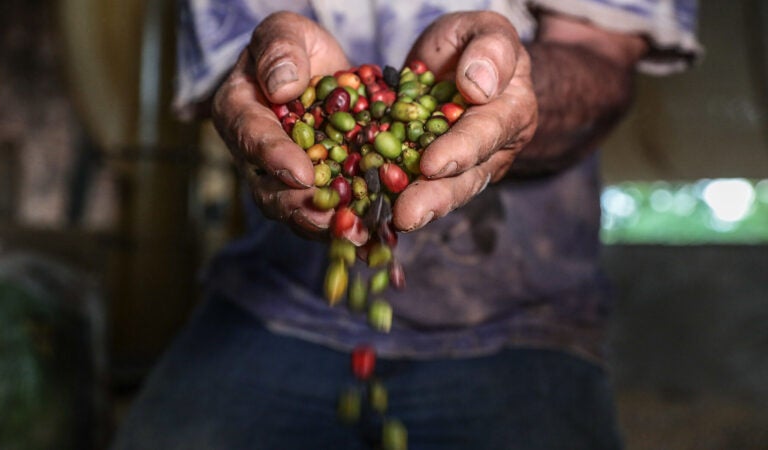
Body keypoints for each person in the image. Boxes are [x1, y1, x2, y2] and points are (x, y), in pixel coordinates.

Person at [113, 1, 701, 449]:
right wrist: (260, 80)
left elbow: (599, 61)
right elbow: (239, 80)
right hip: (277, 300)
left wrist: (507, 86)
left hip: (521, 319)